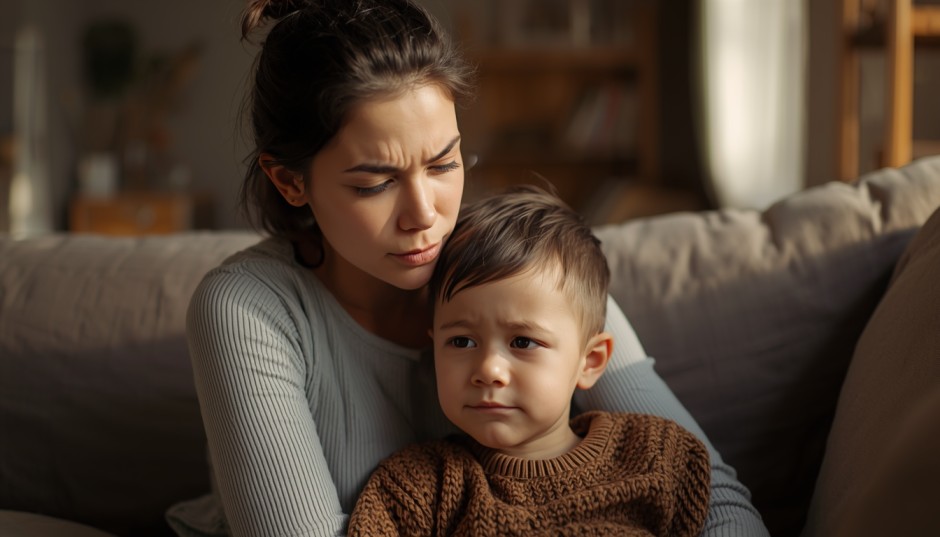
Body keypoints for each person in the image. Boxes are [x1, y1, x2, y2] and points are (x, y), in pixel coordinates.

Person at [166, 1, 770, 536]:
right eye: (375, 183)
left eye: (443, 164)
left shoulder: (532, 268)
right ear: (290, 181)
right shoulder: (248, 309)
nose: (425, 215)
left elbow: (716, 499)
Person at [347, 185, 712, 536]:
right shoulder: (417, 489)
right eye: (461, 341)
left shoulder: (657, 455)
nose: (488, 370)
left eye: (522, 341)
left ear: (590, 361)